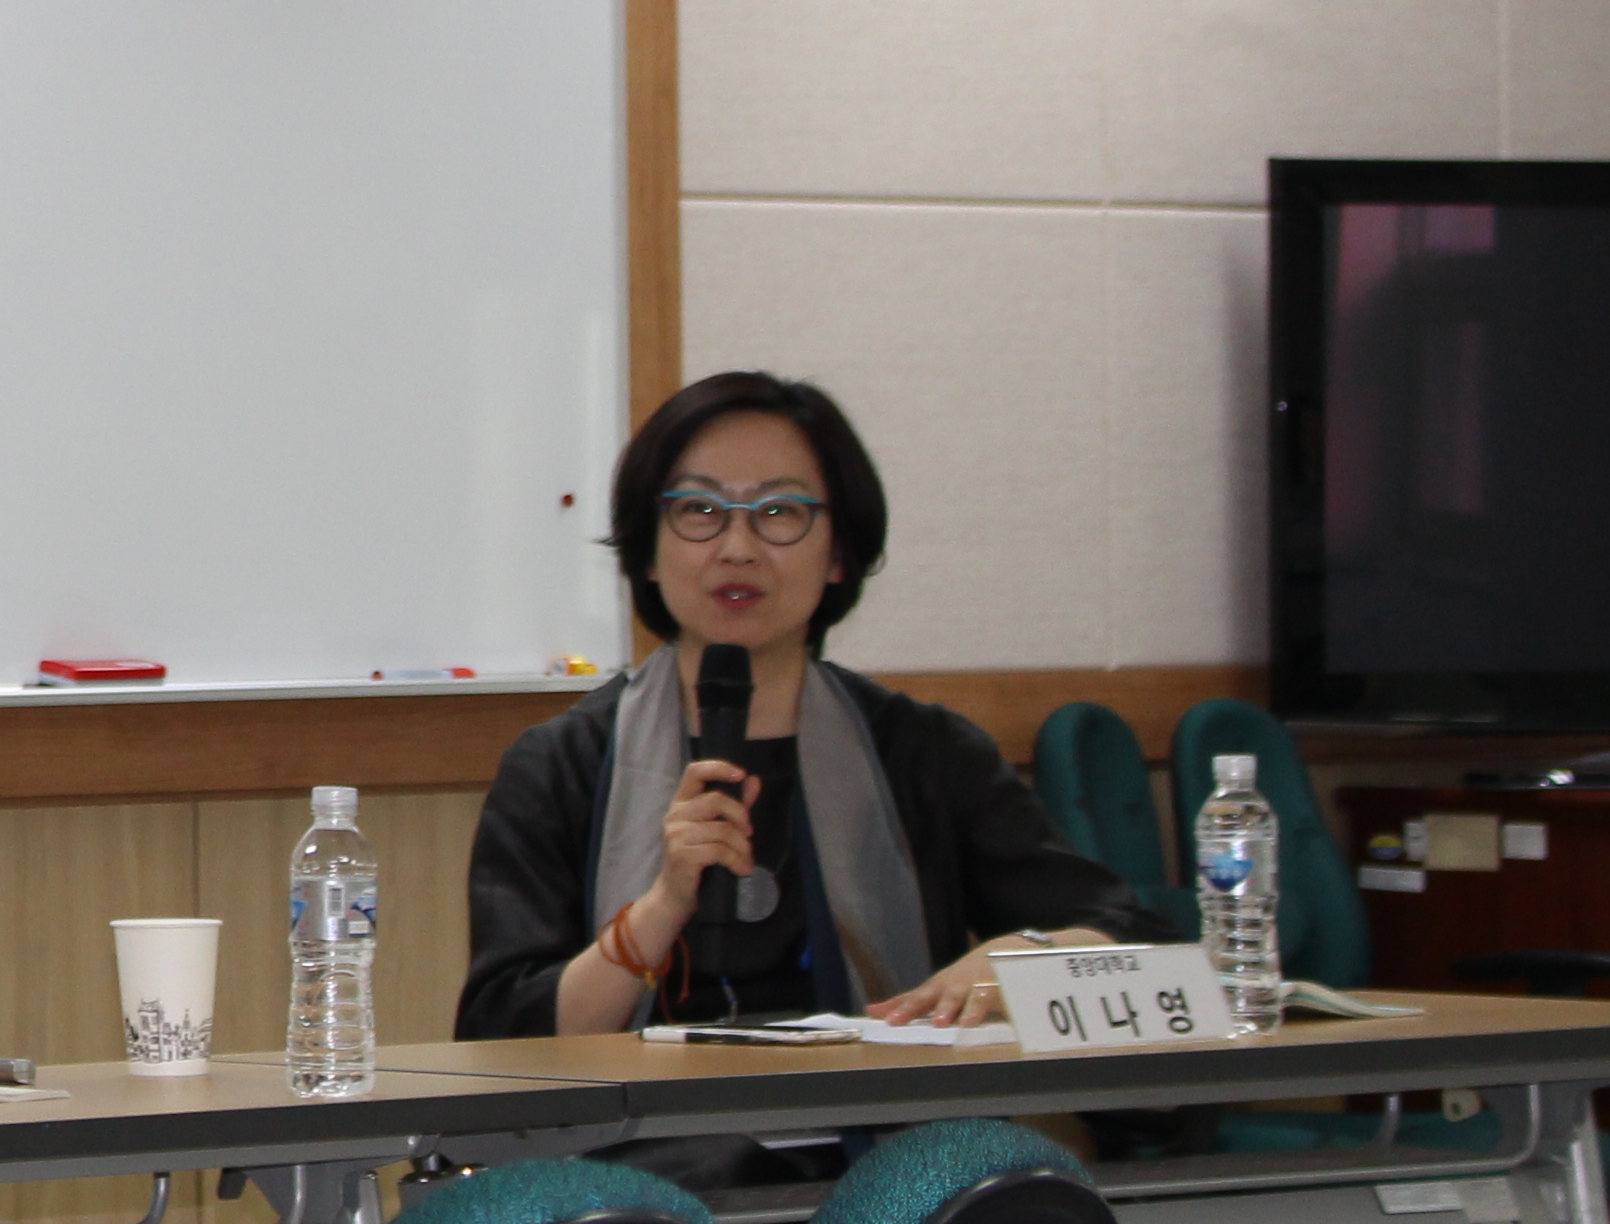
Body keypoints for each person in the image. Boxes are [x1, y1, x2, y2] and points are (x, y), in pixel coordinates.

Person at [462, 370, 1141, 1040]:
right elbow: (503, 1040)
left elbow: (1130, 937)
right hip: (646, 1114)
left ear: (838, 553)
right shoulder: (561, 767)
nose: (737, 548)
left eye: (780, 512)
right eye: (699, 511)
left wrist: (1018, 957)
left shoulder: (925, 753)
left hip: (873, 1105)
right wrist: (662, 906)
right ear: (648, 552)